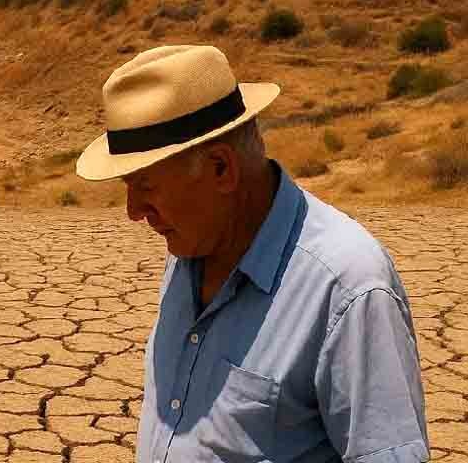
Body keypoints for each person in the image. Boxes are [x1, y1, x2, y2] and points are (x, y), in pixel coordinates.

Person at [75, 45, 428, 463]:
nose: (133, 211)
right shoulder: (190, 247)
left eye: (146, 185)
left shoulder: (347, 287)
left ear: (221, 168)